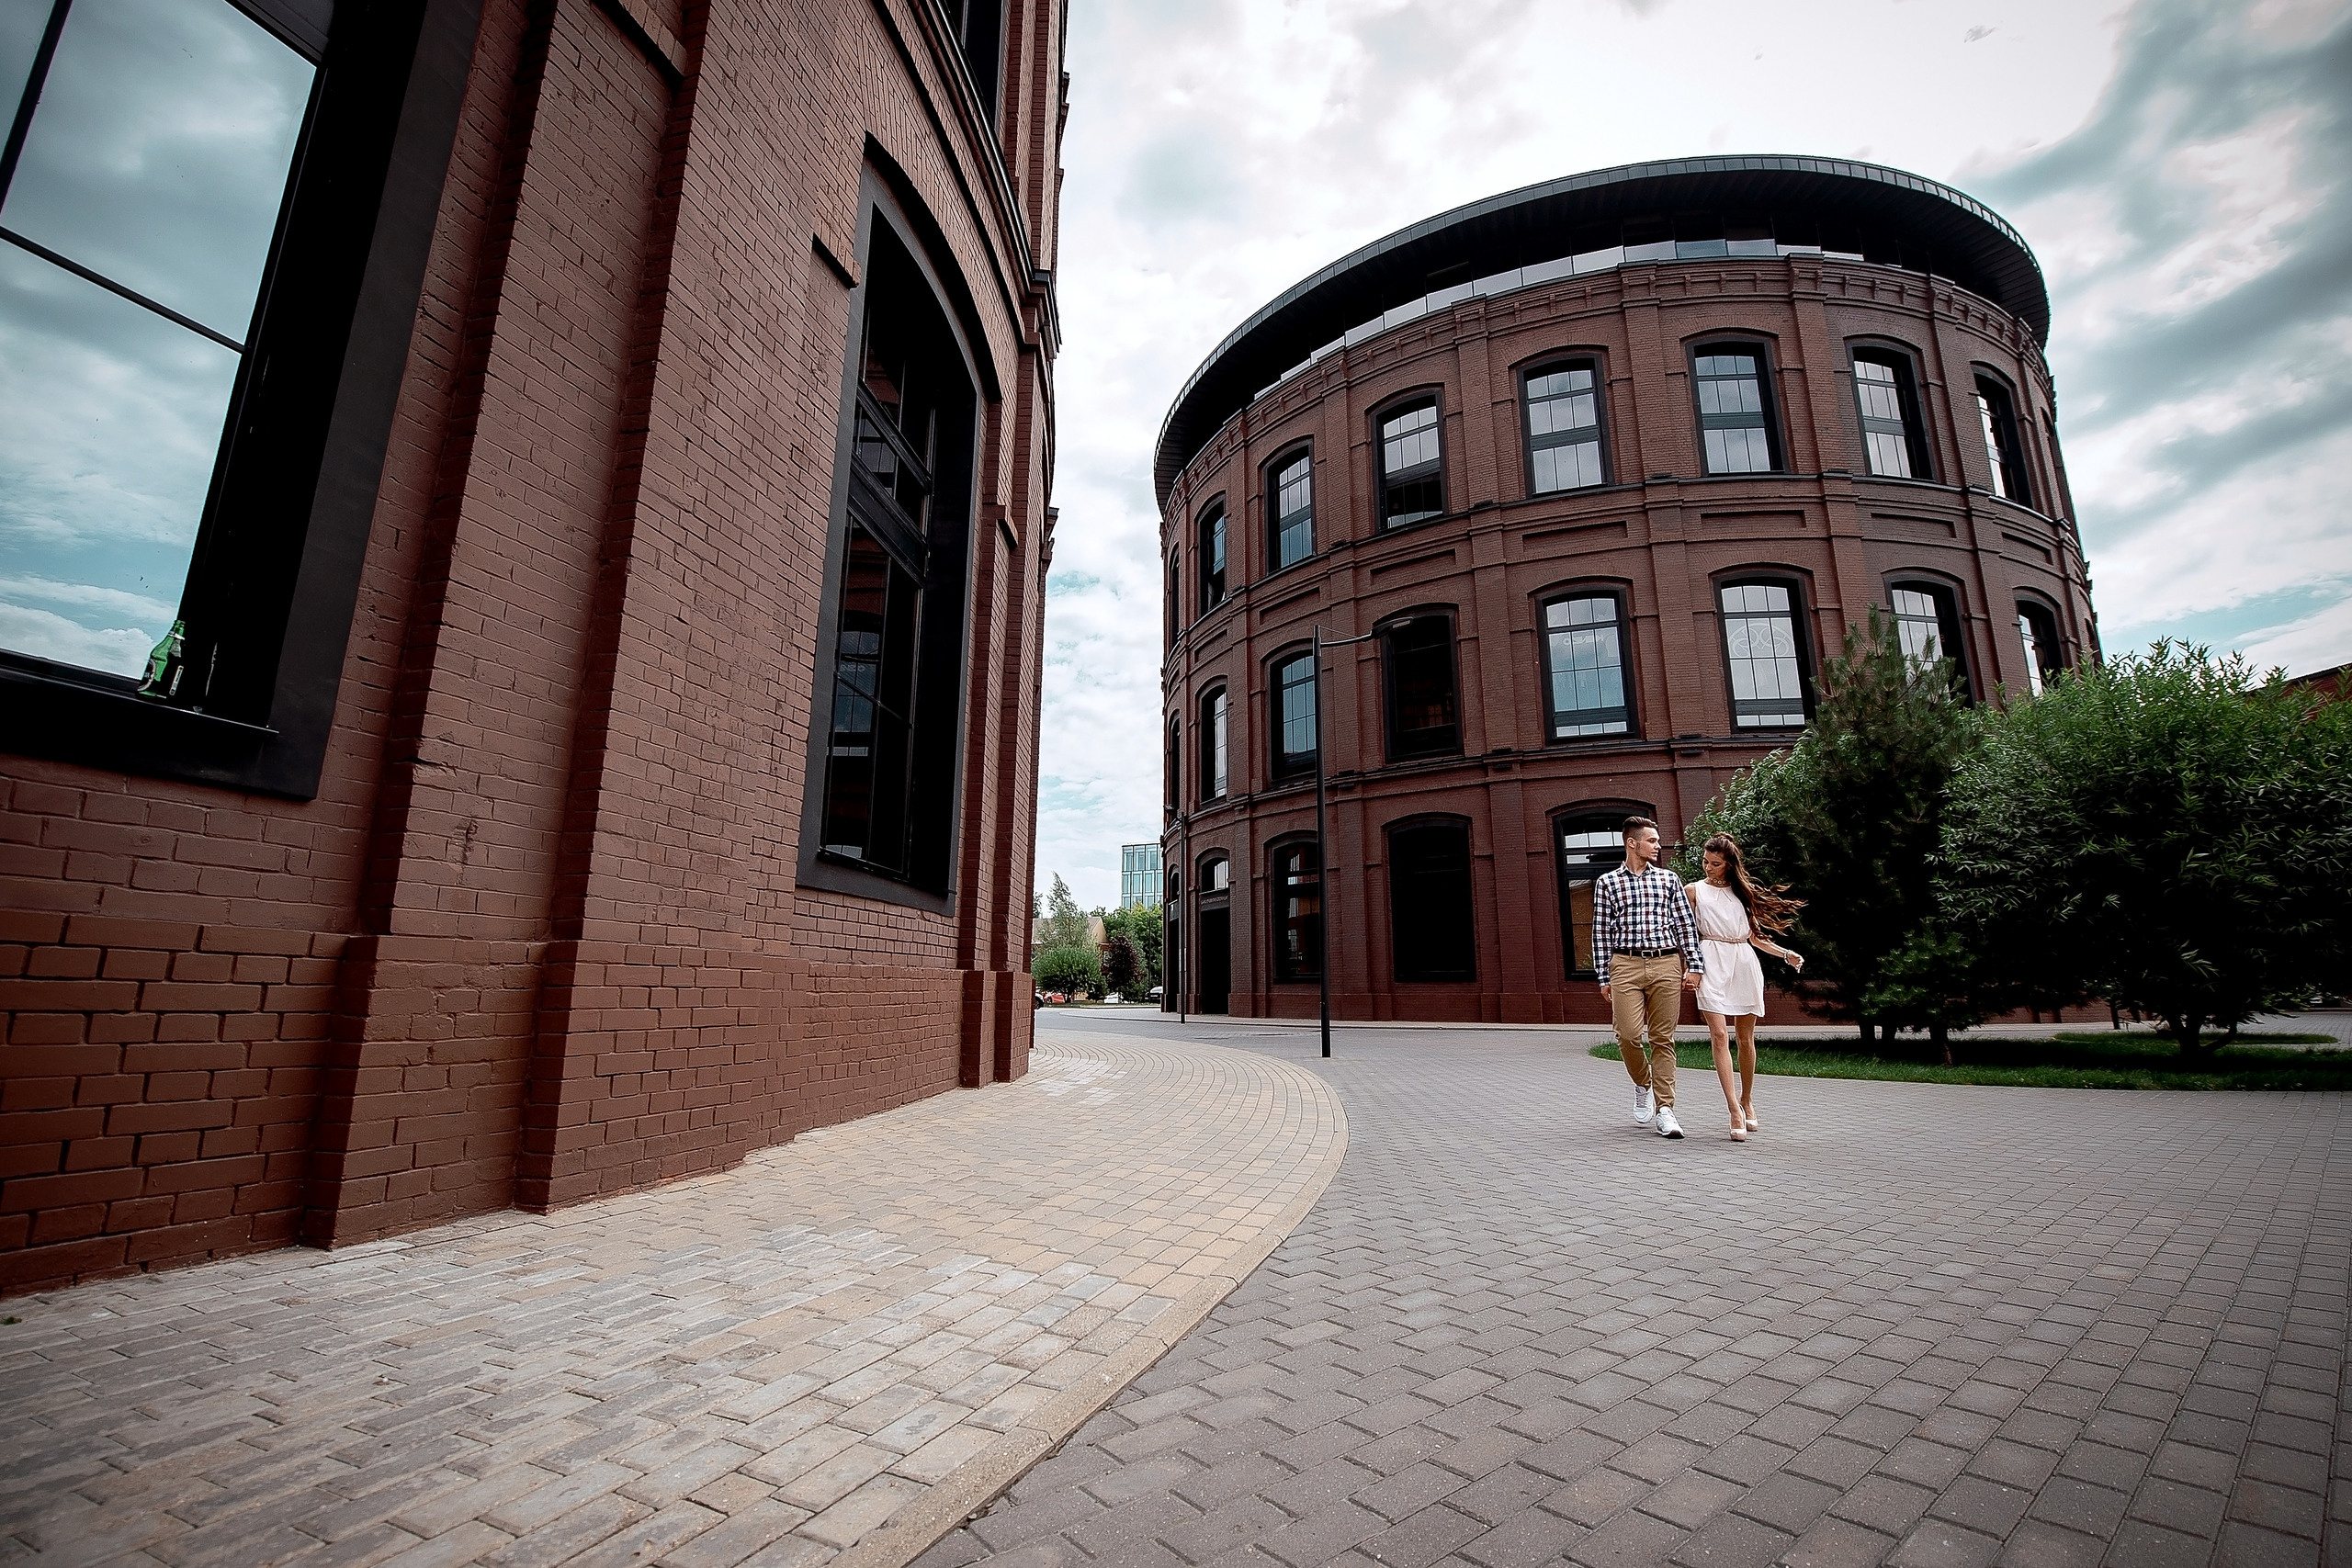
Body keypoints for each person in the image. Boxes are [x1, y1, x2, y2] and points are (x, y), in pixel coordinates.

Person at [1686, 832, 1805, 1141]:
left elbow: (1755, 938)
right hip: (1710, 960)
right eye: (1705, 861)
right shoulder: (1693, 891)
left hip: (1743, 961)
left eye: (1714, 863)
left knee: (1745, 1037)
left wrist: (1786, 954)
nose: (1707, 868)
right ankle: (1733, 1109)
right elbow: (1683, 932)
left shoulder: (1743, 893)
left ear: (1728, 864)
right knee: (1718, 1033)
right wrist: (1689, 967)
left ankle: (1747, 1099)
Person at [1593, 817, 1704, 1139]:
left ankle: (1665, 1109)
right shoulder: (1607, 883)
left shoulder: (1669, 880)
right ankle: (1643, 1082)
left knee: (1663, 1039)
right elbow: (1600, 932)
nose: (1658, 846)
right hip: (1625, 965)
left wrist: (1694, 966)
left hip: (1666, 963)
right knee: (1627, 1034)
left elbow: (1685, 925)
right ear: (1633, 843)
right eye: (1652, 841)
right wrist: (1604, 976)